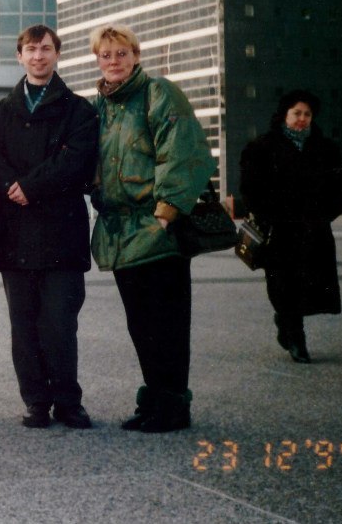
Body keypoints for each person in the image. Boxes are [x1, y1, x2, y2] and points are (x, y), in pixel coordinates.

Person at [89, 24, 214, 433]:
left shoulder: (158, 93)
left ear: (136, 56)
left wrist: (167, 210)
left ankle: (173, 404)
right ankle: (156, 398)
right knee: (141, 324)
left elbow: (182, 148)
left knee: (167, 323)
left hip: (156, 227)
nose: (113, 61)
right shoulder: (101, 105)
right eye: (105, 55)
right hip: (120, 233)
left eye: (121, 53)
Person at [0, 25, 99, 430]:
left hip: (61, 234)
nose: (38, 56)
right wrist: (10, 187)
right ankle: (35, 401)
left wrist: (30, 187)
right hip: (15, 234)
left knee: (60, 323)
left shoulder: (79, 110)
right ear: (19, 56)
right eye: (31, 50)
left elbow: (77, 161)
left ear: (57, 54)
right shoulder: (1, 112)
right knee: (24, 325)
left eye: (45, 49)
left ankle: (68, 401)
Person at [239, 90, 342, 363]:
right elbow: (250, 189)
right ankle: (295, 336)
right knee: (282, 284)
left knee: (308, 285)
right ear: (284, 115)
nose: (302, 118)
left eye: (307, 114)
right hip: (279, 230)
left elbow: (339, 188)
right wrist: (268, 215)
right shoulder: (262, 147)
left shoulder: (325, 149)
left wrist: (325, 214)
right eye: (296, 113)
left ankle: (288, 325)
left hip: (314, 230)